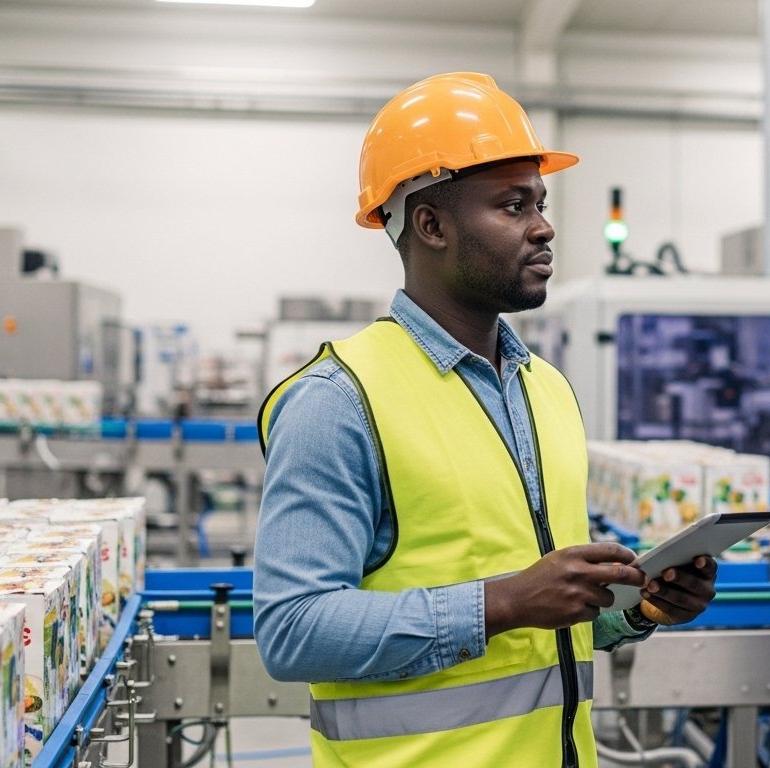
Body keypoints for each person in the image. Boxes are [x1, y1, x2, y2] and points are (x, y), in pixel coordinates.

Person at [253, 72, 719, 768]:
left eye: (540, 202)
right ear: (431, 225)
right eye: (512, 205)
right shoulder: (339, 399)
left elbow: (544, 624)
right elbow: (293, 630)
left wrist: (637, 608)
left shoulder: (546, 389)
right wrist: (501, 602)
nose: (544, 225)